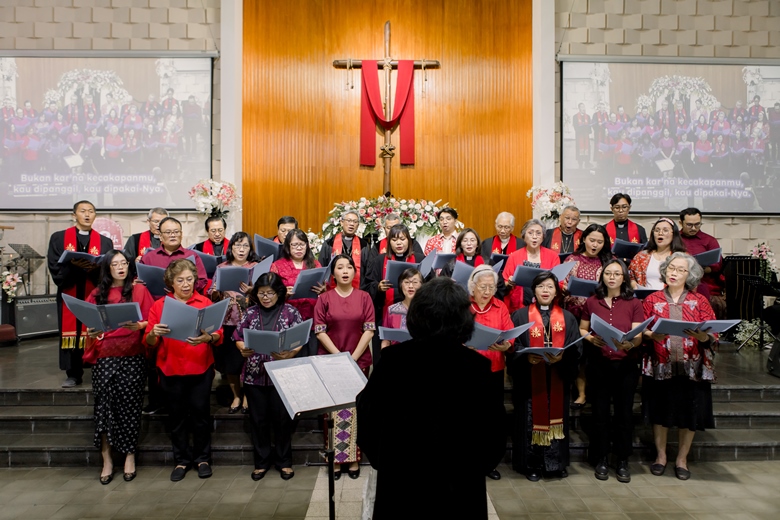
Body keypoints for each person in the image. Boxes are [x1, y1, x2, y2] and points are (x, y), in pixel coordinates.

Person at [356, 277, 506, 520]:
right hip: (459, 487)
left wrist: (385, 461)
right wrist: (472, 469)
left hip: (402, 483)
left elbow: (367, 417)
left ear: (417, 315)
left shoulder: (393, 361)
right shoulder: (477, 366)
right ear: (463, 319)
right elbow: (495, 433)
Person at [144, 259, 223, 481]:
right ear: (171, 282)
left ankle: (203, 459)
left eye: (189, 279)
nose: (186, 284)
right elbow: (148, 342)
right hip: (170, 368)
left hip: (200, 368)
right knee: (177, 417)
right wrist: (154, 333)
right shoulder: (160, 306)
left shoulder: (204, 302)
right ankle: (181, 460)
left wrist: (209, 337)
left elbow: (218, 334)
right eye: (180, 280)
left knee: (200, 415)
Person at [642, 252, 717, 481]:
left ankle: (682, 459)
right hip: (660, 365)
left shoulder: (699, 300)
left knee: (689, 413)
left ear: (689, 274)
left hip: (691, 367)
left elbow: (713, 332)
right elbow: (642, 329)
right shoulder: (652, 299)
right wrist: (651, 335)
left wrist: (703, 337)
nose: (674, 273)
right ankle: (661, 456)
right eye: (671, 268)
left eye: (680, 270)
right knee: (660, 411)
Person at [85, 250, 154, 484]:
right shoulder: (97, 293)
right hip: (105, 355)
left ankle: (129, 455)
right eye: (115, 264)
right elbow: (89, 325)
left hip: (132, 354)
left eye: (124, 263)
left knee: (130, 406)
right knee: (104, 408)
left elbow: (152, 319)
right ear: (107, 268)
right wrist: (92, 331)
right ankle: (106, 459)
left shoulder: (139, 290)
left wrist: (140, 325)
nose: (121, 267)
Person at [509, 272, 580, 481]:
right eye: (541, 286)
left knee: (557, 420)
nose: (545, 290)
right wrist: (526, 357)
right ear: (534, 290)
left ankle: (555, 464)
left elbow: (576, 348)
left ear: (556, 291)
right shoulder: (520, 316)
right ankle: (531, 463)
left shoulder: (567, 317)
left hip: (558, 376)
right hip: (530, 380)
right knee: (529, 420)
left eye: (550, 286)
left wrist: (563, 358)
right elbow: (512, 346)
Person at [579, 259, 644, 483]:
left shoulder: (633, 302)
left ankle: (622, 459)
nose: (612, 277)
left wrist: (630, 343)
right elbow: (583, 328)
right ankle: (601, 458)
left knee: (624, 414)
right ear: (602, 276)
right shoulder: (592, 301)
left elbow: (638, 335)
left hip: (625, 365)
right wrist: (590, 339)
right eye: (608, 273)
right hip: (599, 364)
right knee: (600, 413)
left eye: (617, 274)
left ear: (624, 277)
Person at [234, 272, 303, 481]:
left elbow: (300, 339)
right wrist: (242, 349)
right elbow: (238, 336)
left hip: (282, 375)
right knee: (258, 420)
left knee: (282, 420)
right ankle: (261, 462)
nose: (265, 297)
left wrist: (290, 354)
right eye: (262, 293)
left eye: (270, 293)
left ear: (279, 293)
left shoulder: (291, 312)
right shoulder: (250, 313)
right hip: (254, 376)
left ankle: (284, 461)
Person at [314, 254, 375, 479]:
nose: (345, 271)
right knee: (333, 411)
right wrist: (340, 357)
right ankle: (335, 460)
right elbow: (320, 331)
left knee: (355, 409)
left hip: (358, 362)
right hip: (331, 362)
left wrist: (352, 358)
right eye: (340, 267)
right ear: (333, 273)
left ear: (354, 271)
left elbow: (369, 329)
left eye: (349, 267)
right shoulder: (324, 299)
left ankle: (354, 458)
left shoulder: (364, 297)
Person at [47, 200, 114, 388]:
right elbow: (54, 265)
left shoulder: (104, 241)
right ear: (74, 214)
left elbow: (108, 268)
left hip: (94, 293)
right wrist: (73, 267)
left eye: (91, 211)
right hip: (70, 292)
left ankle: (98, 370)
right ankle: (73, 373)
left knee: (95, 329)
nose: (87, 214)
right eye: (83, 211)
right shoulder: (59, 238)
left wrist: (94, 268)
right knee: (72, 332)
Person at [467, 264, 513, 481]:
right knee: (470, 416)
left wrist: (507, 344)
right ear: (473, 287)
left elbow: (510, 333)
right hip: (468, 370)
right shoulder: (463, 307)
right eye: (483, 287)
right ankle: (468, 460)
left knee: (492, 418)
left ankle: (489, 462)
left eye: (491, 287)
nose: (487, 292)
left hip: (494, 369)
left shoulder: (500, 306)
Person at [561, 224, 612, 409]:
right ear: (584, 239)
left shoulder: (608, 261)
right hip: (574, 314)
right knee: (579, 355)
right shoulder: (572, 259)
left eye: (599, 241)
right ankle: (581, 394)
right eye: (592, 240)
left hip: (599, 315)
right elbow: (562, 282)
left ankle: (598, 393)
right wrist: (564, 288)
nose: (595, 245)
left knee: (596, 356)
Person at [210, 232, 259, 414]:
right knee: (231, 362)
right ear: (231, 248)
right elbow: (212, 293)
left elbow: (266, 293)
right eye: (237, 245)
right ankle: (236, 396)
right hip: (228, 320)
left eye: (245, 245)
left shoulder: (256, 267)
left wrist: (252, 291)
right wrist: (216, 291)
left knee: (250, 360)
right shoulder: (222, 267)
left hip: (251, 321)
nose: (241, 249)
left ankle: (247, 397)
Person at [363, 224, 420, 328]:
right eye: (394, 240)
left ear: (409, 240)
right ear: (389, 242)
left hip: (416, 313)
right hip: (384, 312)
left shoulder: (419, 259)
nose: (398, 243)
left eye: (402, 239)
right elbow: (367, 285)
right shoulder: (379, 260)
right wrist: (378, 287)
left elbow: (430, 285)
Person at [270, 229, 327, 330]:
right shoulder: (277, 265)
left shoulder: (315, 264)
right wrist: (283, 293)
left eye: (302, 244)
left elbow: (324, 288)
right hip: (287, 314)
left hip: (312, 313)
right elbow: (271, 292)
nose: (299, 248)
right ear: (288, 246)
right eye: (295, 245)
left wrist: (323, 290)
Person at [138, 216, 209, 295]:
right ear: (160, 236)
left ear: (181, 235)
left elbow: (202, 281)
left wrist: (183, 290)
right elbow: (140, 280)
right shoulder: (148, 257)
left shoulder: (192, 255)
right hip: (155, 300)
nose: (172, 235)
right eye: (168, 232)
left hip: (184, 299)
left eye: (176, 232)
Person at [502, 219, 561, 313]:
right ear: (524, 236)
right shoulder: (514, 256)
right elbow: (504, 282)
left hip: (546, 305)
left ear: (543, 236)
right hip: (519, 306)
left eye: (538, 233)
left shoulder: (553, 256)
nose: (534, 237)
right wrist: (509, 283)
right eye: (530, 233)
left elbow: (559, 282)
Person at [678, 208, 725, 317]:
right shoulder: (675, 239)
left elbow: (718, 265)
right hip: (678, 282)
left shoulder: (709, 240)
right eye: (689, 225)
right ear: (681, 223)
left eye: (697, 224)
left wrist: (698, 269)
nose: (693, 228)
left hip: (703, 281)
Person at [629, 217, 686, 290]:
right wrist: (634, 285)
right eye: (657, 230)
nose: (660, 233)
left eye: (665, 230)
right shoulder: (641, 256)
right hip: (645, 296)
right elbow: (631, 277)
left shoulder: (681, 258)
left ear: (674, 234)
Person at [318, 210, 368, 287]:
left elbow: (367, 271)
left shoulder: (364, 245)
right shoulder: (329, 243)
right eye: (349, 220)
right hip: (332, 289)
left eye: (355, 222)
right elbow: (321, 267)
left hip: (358, 288)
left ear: (358, 225)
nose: (352, 224)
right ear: (341, 222)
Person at [380, 268, 422, 349]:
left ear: (422, 285)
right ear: (400, 285)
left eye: (415, 282)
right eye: (406, 282)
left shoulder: (427, 311)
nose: (410, 286)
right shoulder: (392, 310)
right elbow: (386, 340)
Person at [572, 103, 592, 169]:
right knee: (580, 148)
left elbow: (589, 127)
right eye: (582, 107)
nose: (583, 108)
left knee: (587, 148)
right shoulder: (575, 117)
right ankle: (580, 163)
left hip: (586, 136)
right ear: (579, 108)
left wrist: (587, 128)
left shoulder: (588, 117)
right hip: (579, 136)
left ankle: (587, 162)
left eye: (584, 106)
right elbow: (575, 127)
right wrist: (582, 127)